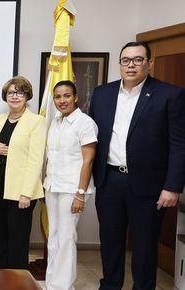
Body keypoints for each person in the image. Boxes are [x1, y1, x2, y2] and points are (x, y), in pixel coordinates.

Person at [88, 41, 185, 290]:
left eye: (138, 60)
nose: (131, 65)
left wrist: (173, 186)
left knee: (144, 246)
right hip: (109, 181)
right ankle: (110, 286)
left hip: (149, 186)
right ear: (120, 63)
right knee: (110, 243)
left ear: (149, 63)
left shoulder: (169, 95)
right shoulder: (102, 93)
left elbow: (179, 144)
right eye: (126, 60)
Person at [43, 81, 97, 290]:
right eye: (57, 97)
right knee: (54, 236)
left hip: (72, 189)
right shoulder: (55, 121)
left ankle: (63, 287)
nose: (61, 100)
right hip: (53, 186)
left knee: (66, 239)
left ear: (75, 97)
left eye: (66, 96)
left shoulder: (85, 123)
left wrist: (80, 193)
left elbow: (88, 161)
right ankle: (51, 284)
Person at [0, 76, 46, 270]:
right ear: (5, 96)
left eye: (20, 93)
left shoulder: (36, 121)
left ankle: (17, 281)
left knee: (18, 242)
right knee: (0, 239)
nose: (15, 96)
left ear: (27, 96)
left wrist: (26, 194)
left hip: (21, 192)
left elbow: (36, 160)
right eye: (11, 93)